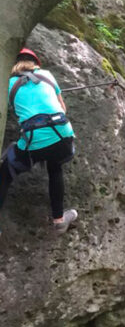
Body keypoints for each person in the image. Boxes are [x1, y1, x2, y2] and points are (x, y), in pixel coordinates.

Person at [0, 48, 77, 235]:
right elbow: (62, 108)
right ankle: (58, 220)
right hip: (63, 136)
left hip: (34, 140)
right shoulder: (46, 75)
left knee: (4, 172)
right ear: (35, 63)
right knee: (55, 166)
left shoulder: (8, 83)